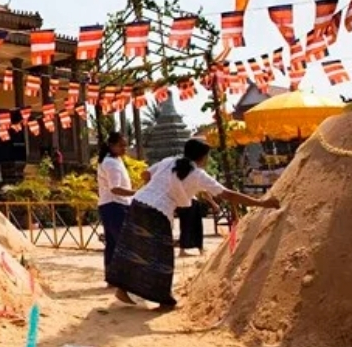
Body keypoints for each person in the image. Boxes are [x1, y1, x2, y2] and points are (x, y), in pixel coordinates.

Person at [107, 139, 280, 311]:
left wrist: (153, 188)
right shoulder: (198, 174)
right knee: (161, 256)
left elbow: (145, 174)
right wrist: (262, 203)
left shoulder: (169, 161)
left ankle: (122, 289)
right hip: (157, 211)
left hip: (138, 203)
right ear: (203, 157)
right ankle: (164, 301)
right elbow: (228, 195)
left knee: (133, 247)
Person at [96, 132, 135, 285]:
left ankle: (112, 277)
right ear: (112, 146)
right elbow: (115, 188)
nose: (124, 148)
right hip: (115, 205)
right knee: (122, 242)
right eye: (121, 145)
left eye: (125, 145)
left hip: (112, 205)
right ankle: (123, 278)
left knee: (113, 243)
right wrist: (136, 193)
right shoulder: (111, 163)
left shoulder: (114, 160)